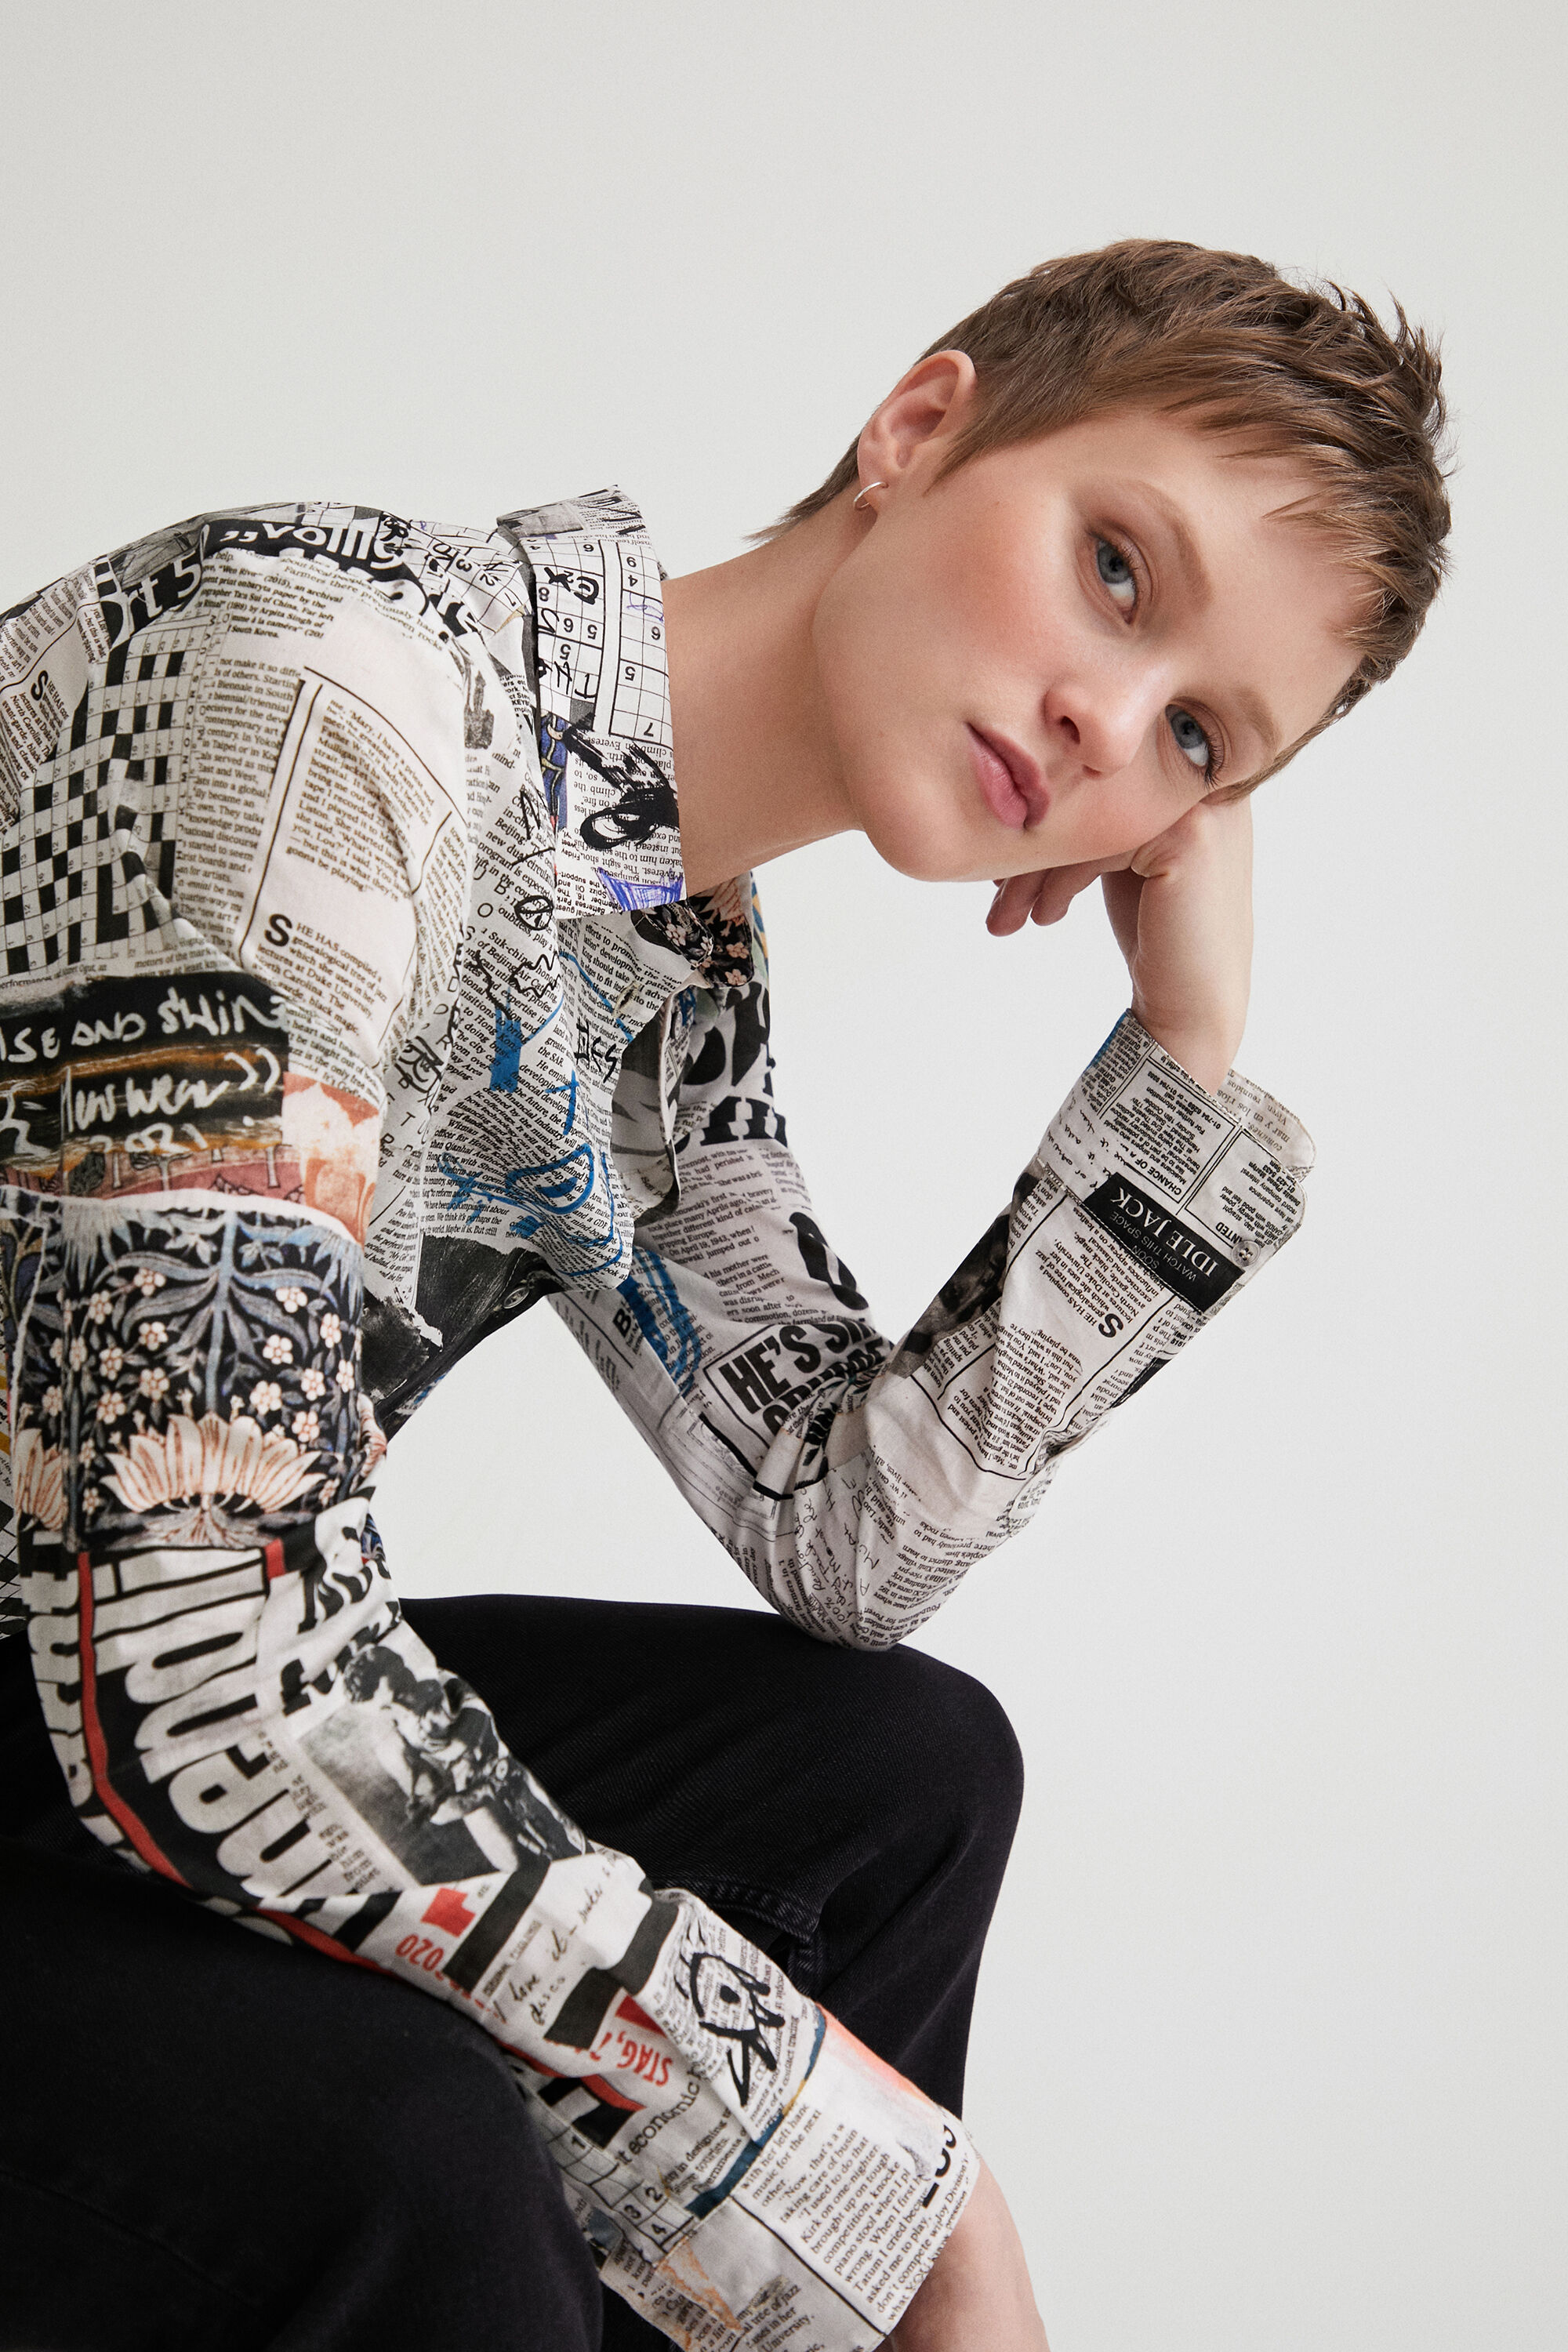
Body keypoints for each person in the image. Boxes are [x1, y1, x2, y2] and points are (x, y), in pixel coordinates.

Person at [0, 241, 1449, 2350]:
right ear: (921, 426)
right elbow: (192, 1646)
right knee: (418, 2149)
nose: (1107, 722)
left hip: (61, 1724)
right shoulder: (317, 688)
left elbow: (849, 1534)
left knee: (896, 1781)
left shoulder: (652, 943)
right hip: (98, 1677)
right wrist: (869, 2178)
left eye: (1198, 739)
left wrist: (1184, 1066)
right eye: (1119, 571)